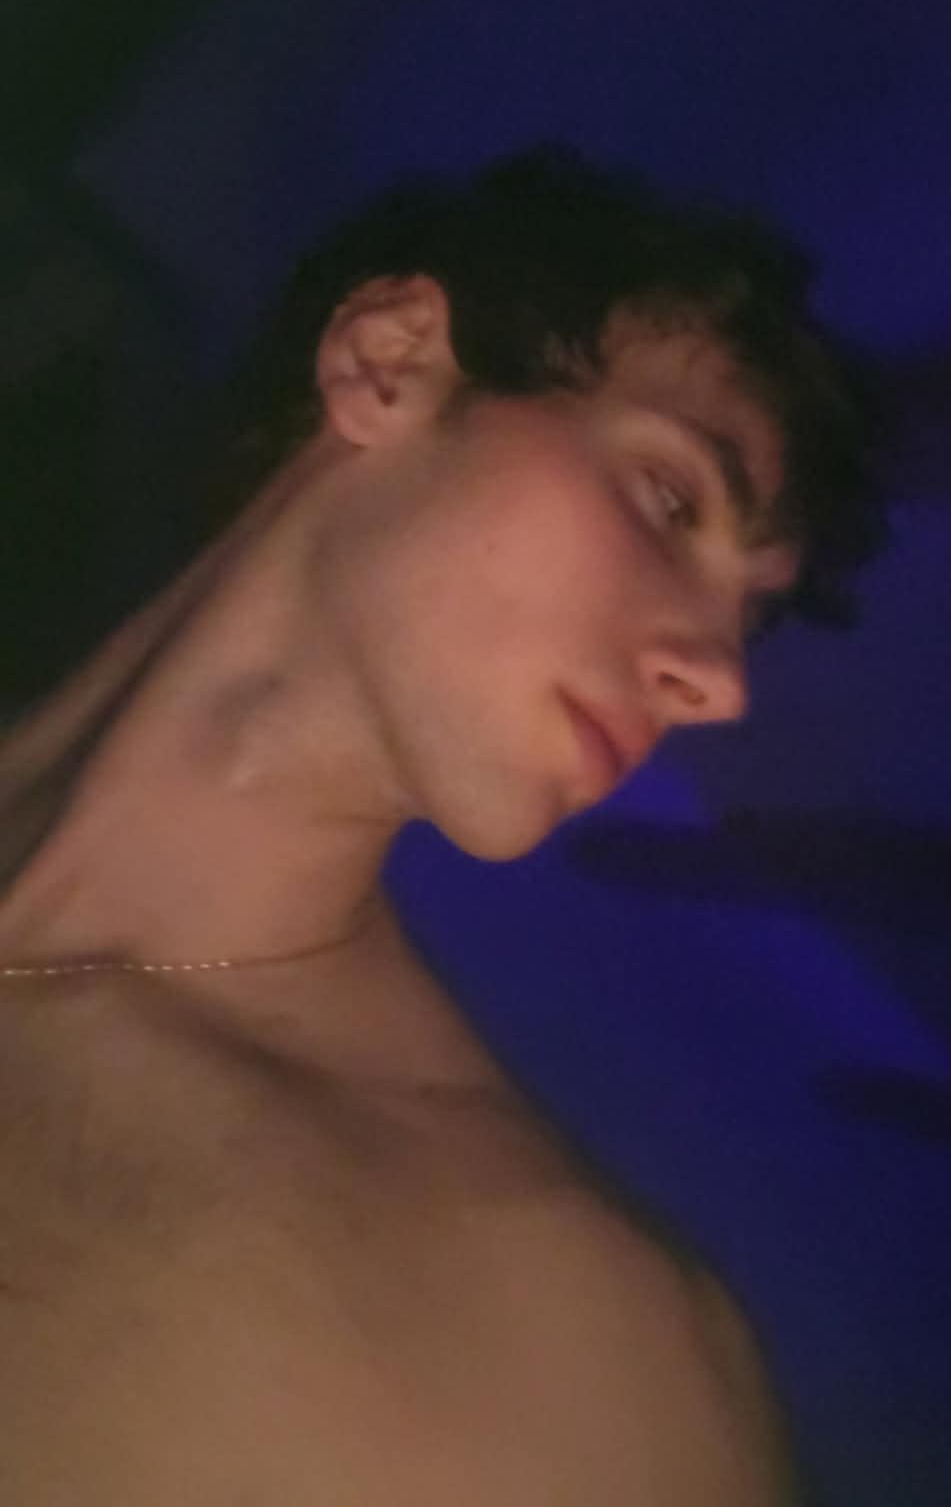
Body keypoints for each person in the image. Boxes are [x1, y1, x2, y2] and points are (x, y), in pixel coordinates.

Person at [0, 144, 886, 1503]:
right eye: (672, 500)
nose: (719, 681)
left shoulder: (573, 1344)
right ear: (389, 362)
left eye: (744, 621)